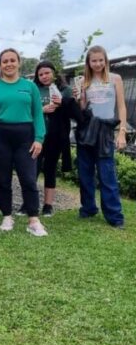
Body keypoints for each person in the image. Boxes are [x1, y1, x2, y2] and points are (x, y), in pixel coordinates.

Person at [0, 49, 47, 236]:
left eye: (12, 60)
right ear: (0, 64)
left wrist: (39, 138)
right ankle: (7, 216)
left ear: (19, 63)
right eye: (5, 61)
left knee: (28, 178)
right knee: (2, 179)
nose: (8, 64)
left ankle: (33, 219)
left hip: (25, 137)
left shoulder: (30, 87)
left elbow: (38, 115)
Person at [74, 45, 126, 228]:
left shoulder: (115, 79)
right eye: (93, 61)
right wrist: (78, 97)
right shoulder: (83, 82)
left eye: (100, 60)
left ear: (106, 60)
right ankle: (88, 208)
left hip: (105, 131)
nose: (97, 64)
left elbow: (121, 107)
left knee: (107, 173)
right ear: (88, 62)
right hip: (87, 130)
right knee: (85, 172)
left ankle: (114, 215)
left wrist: (122, 133)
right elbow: (82, 109)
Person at [32, 61, 78, 217]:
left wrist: (70, 101)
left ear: (54, 73)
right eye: (41, 74)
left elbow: (72, 110)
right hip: (36, 136)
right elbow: (26, 110)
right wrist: (41, 109)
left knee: (50, 169)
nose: (44, 76)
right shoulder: (34, 90)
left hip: (56, 136)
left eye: (47, 73)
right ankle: (28, 202)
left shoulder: (65, 90)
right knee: (32, 169)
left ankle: (48, 205)